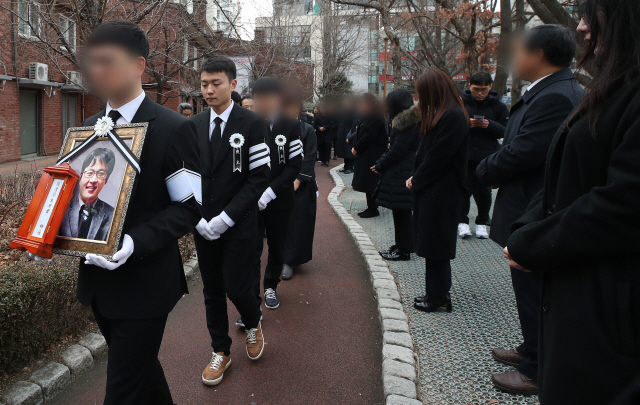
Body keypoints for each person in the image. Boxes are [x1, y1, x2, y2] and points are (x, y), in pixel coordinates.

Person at [505, 1, 640, 403]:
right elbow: (562, 167)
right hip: (585, 289)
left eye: (591, 14)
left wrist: (537, 240)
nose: (581, 27)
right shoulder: (615, 83)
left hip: (610, 308)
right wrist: (529, 227)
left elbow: (623, 202)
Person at [66, 21, 201, 405]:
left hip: (146, 286)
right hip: (98, 284)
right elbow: (76, 198)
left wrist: (133, 241)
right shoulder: (88, 129)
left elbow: (189, 208)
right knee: (143, 372)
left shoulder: (175, 128)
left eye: (108, 61)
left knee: (122, 388)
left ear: (139, 65)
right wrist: (44, 227)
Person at [475, 25, 583, 395]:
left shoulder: (556, 96)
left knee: (536, 291)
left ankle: (537, 368)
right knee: (527, 290)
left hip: (533, 210)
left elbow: (522, 151)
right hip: (525, 204)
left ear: (537, 54)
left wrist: (485, 171)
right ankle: (531, 349)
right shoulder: (549, 91)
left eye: (518, 50)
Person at [190, 57, 270, 386]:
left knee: (238, 287)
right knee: (211, 290)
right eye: (204, 84)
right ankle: (220, 351)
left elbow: (259, 177)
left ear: (233, 85)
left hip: (239, 224)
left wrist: (226, 218)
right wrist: (196, 218)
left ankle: (253, 322)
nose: (209, 90)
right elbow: (184, 176)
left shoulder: (252, 123)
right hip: (202, 226)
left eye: (216, 83)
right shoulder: (193, 126)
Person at [407, 70, 469, 313]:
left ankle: (439, 296)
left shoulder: (452, 116)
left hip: (441, 192)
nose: (419, 98)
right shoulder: (446, 114)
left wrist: (417, 179)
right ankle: (435, 292)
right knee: (433, 244)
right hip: (435, 190)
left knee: (437, 245)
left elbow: (438, 158)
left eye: (421, 93)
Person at [248, 77, 302, 311]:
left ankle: (270, 285)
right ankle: (250, 299)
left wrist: (269, 192)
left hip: (279, 198)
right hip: (250, 200)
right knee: (250, 247)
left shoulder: (291, 124)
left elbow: (294, 165)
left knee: (277, 245)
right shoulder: (247, 123)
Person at [458, 72, 509, 239]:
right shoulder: (461, 104)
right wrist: (467, 124)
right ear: (469, 86)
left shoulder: (499, 107)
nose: (479, 93)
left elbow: (507, 131)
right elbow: (451, 127)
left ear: (490, 87)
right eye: (476, 89)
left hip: (487, 156)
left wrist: (489, 125)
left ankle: (481, 222)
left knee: (484, 192)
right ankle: (462, 222)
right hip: (464, 154)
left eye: (483, 90)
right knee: (463, 190)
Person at [374, 89, 420, 261]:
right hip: (402, 168)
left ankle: (405, 249)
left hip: (403, 170)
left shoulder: (407, 123)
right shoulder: (407, 120)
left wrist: (380, 164)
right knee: (399, 211)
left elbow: (397, 150)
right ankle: (401, 245)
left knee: (403, 211)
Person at [282, 92, 317, 280]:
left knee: (298, 222)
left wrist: (297, 181)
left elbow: (310, 158)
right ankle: (278, 256)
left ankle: (290, 260)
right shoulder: (274, 128)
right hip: (277, 184)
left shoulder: (307, 130)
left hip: (300, 185)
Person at [59, 148, 116, 241]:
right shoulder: (62, 207)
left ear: (106, 181)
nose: (93, 180)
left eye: (101, 174)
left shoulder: (112, 214)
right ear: (80, 176)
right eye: (89, 173)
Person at [351, 93, 387, 218]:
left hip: (372, 156)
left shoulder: (375, 118)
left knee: (370, 182)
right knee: (367, 182)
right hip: (366, 155)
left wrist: (356, 147)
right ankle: (371, 206)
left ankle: (373, 208)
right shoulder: (367, 117)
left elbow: (369, 136)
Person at [337, 97, 357, 174]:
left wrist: (351, 133)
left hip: (350, 132)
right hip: (342, 132)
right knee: (344, 150)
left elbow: (354, 123)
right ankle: (346, 166)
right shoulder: (342, 111)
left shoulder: (353, 111)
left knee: (349, 151)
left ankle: (350, 167)